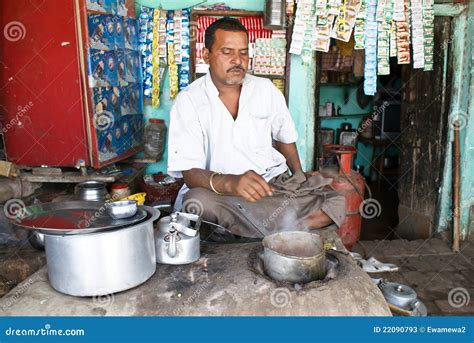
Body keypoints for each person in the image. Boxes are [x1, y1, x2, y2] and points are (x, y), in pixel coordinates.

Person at [167, 17, 346, 238]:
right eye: (227, 52)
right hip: (224, 195)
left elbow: (284, 137)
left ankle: (255, 229)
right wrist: (231, 183)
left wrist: (299, 175)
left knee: (335, 200)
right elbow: (190, 174)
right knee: (196, 200)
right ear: (206, 55)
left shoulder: (265, 89)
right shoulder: (189, 101)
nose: (238, 60)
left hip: (271, 187)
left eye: (243, 52)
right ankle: (282, 227)